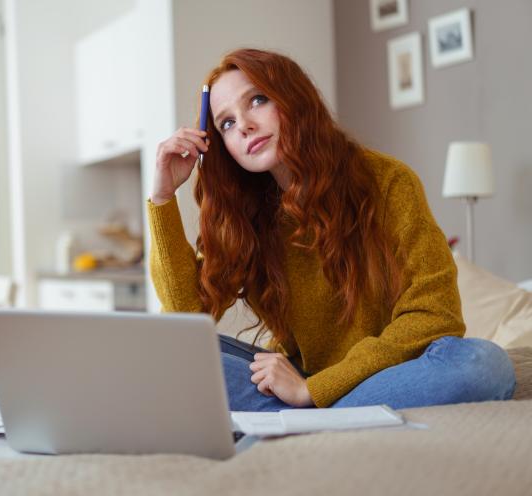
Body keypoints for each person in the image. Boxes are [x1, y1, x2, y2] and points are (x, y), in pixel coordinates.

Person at [148, 48, 516, 411]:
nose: (243, 125)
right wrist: (163, 197)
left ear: (293, 99)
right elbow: (184, 318)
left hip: (386, 374)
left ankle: (305, 418)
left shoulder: (388, 182)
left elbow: (435, 316)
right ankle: (319, 418)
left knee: (483, 365)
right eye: (226, 123)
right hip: (293, 377)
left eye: (257, 100)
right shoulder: (246, 213)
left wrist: (314, 390)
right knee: (166, 348)